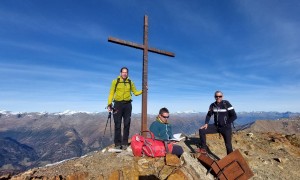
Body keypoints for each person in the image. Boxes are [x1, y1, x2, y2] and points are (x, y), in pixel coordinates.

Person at [107, 67, 142, 149]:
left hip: (127, 105)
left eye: (126, 72)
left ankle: (125, 142)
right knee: (117, 124)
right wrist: (109, 104)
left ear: (127, 74)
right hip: (117, 104)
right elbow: (111, 93)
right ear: (120, 73)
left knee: (127, 124)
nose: (124, 74)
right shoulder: (115, 81)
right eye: (123, 72)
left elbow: (136, 93)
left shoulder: (130, 82)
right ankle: (118, 143)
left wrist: (143, 90)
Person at [199, 91, 237, 155]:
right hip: (216, 126)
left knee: (228, 145)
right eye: (216, 96)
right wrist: (206, 123)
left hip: (226, 128)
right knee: (201, 130)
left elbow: (234, 116)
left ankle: (231, 159)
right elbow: (209, 115)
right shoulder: (213, 105)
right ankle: (203, 149)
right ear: (214, 97)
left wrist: (226, 123)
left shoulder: (226, 104)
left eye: (220, 96)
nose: (218, 97)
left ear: (222, 97)